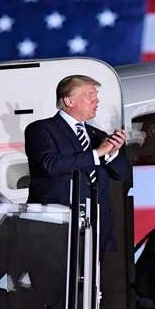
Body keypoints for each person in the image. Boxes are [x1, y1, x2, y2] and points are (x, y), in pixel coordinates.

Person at [24, 75, 129, 252]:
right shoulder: (41, 129)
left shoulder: (98, 134)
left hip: (97, 227)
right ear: (69, 101)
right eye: (90, 95)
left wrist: (111, 153)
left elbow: (123, 174)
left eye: (96, 95)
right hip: (57, 225)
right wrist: (97, 153)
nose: (97, 100)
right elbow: (50, 164)